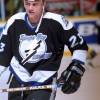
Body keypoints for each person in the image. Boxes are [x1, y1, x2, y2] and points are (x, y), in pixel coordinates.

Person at [0, 0, 88, 100]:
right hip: (18, 78)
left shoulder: (57, 22)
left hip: (45, 80)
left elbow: (80, 46)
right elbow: (3, 57)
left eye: (35, 4)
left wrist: (76, 70)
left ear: (43, 4)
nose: (30, 8)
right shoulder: (14, 21)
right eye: (27, 4)